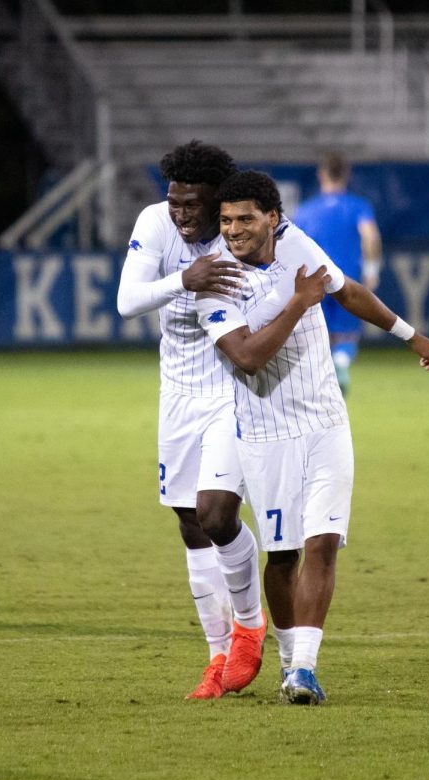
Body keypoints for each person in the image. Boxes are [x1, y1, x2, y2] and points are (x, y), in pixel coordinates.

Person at [196, 171, 429, 704]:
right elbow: (245, 358)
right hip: (265, 434)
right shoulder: (213, 281)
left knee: (323, 544)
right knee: (282, 557)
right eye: (225, 220)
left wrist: (410, 335)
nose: (233, 230)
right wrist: (298, 304)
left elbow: (348, 291)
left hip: (326, 422)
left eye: (244, 219)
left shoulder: (297, 244)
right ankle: (288, 661)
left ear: (272, 218)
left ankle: (304, 668)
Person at [116, 141, 268, 699]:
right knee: (190, 523)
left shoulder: (243, 229)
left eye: (192, 204)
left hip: (234, 391)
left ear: (218, 200)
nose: (181, 214)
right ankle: (217, 655)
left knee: (217, 513)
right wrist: (186, 279)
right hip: (178, 395)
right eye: (174, 201)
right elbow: (128, 301)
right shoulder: (156, 223)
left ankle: (250, 624)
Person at [292, 152, 382, 397]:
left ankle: (320, 383)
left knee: (318, 335)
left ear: (322, 174)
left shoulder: (305, 211)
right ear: (346, 174)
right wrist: (371, 270)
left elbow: (294, 245)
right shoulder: (357, 206)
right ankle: (341, 365)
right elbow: (370, 236)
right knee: (346, 335)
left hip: (315, 281)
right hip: (347, 281)